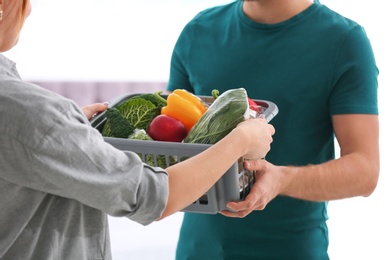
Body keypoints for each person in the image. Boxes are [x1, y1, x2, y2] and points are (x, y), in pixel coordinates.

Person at [0, 0, 275, 259]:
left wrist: (65, 130)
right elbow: (152, 196)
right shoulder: (32, 112)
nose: (30, 10)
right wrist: (241, 140)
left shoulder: (28, 111)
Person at [166, 0, 379, 259]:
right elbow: (167, 139)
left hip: (291, 250)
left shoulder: (344, 41)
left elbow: (365, 170)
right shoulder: (198, 32)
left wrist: (281, 180)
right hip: (197, 250)